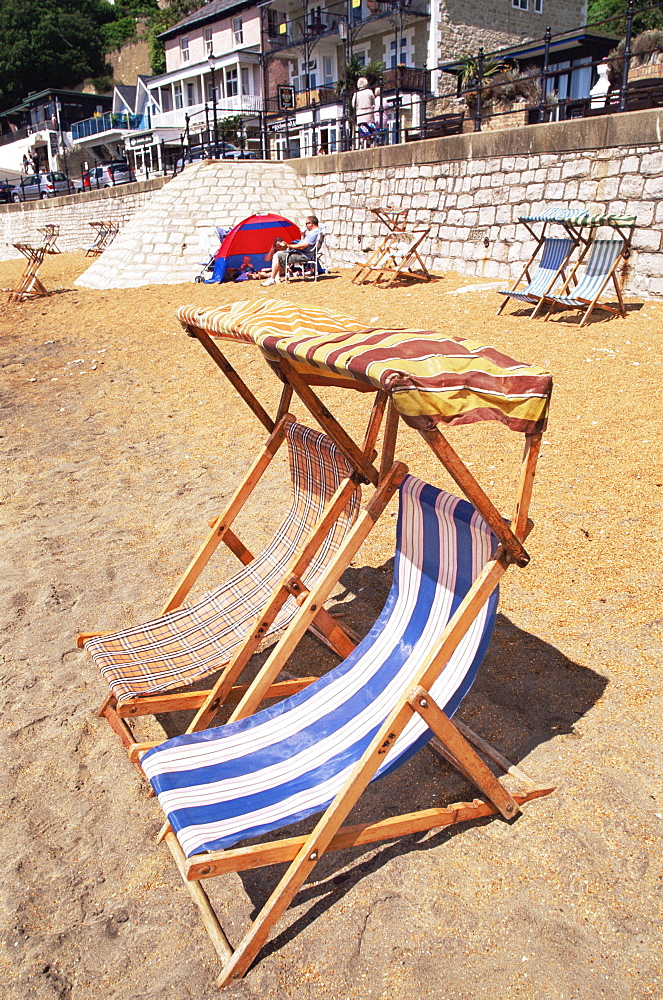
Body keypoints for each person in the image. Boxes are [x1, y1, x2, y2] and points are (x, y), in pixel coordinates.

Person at [261, 216, 321, 286]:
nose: (305, 225)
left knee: (277, 255)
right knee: (280, 254)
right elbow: (305, 244)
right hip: (305, 253)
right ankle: (276, 277)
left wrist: (288, 246)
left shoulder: (313, 233)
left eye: (306, 223)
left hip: (303, 255)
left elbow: (302, 247)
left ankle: (272, 279)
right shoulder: (317, 231)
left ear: (311, 224)